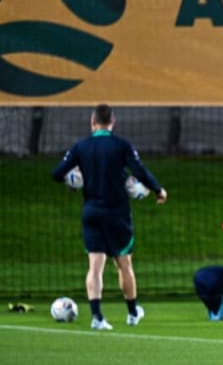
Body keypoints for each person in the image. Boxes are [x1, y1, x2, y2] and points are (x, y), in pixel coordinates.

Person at [51, 104, 168, 330]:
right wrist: (157, 189)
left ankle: (97, 318)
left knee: (95, 267)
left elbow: (56, 173)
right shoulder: (121, 145)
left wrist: (73, 181)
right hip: (117, 214)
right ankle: (133, 313)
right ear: (112, 123)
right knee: (124, 265)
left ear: (92, 122)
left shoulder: (81, 147)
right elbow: (140, 171)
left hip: (92, 212)